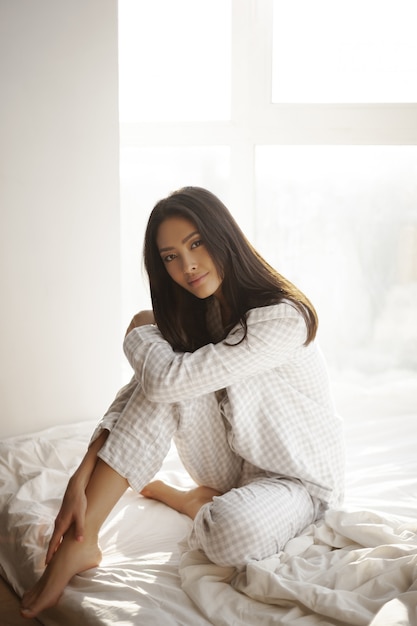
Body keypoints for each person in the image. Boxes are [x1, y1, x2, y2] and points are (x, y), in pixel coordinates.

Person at [21, 186, 344, 618]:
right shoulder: (204, 313)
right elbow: (144, 389)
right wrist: (85, 466)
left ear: (223, 237)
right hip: (233, 466)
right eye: (170, 256)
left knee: (228, 532)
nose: (187, 265)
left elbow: (166, 379)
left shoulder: (283, 317)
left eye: (196, 244)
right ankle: (81, 543)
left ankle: (192, 501)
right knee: (166, 378)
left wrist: (139, 326)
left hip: (298, 484)